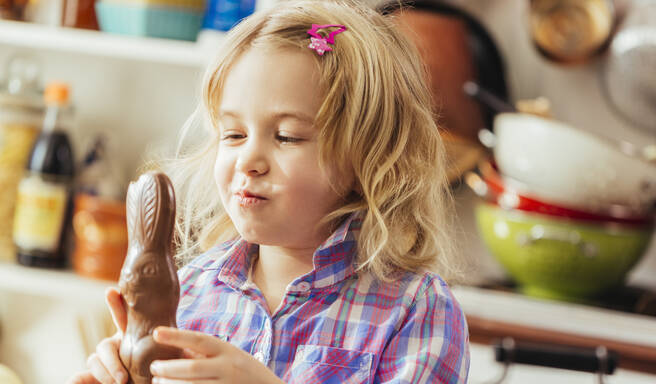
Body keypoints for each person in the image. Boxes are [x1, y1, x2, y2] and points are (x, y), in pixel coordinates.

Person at [68, 0, 469, 382]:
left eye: (287, 136)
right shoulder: (188, 293)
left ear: (369, 157)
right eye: (234, 134)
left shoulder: (416, 311)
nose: (249, 160)